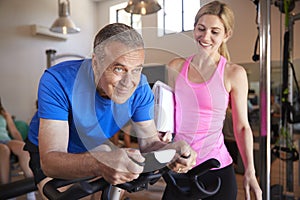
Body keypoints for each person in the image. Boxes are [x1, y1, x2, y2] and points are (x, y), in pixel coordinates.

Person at [24, 23, 197, 199]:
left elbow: (150, 143)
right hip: (48, 151)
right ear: (95, 63)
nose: (129, 82)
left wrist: (172, 150)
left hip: (94, 146)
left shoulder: (141, 88)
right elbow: (51, 161)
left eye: (136, 69)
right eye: (119, 68)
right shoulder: (57, 81)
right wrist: (99, 163)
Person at [166, 1, 262, 199]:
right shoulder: (175, 67)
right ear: (194, 29)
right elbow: (166, 118)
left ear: (226, 35)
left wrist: (250, 170)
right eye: (201, 29)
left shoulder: (233, 73)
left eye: (214, 32)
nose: (205, 37)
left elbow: (242, 126)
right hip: (180, 168)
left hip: (216, 170)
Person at [0, 98, 36, 200]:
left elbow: (14, 132)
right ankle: (8, 193)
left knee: (23, 148)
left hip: (6, 140)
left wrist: (23, 143)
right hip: (2, 146)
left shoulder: (3, 113)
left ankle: (31, 190)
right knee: (4, 150)